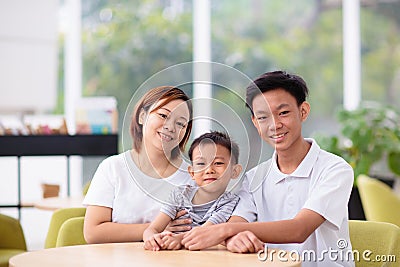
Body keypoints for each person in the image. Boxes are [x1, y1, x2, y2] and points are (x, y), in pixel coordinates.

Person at [181, 71, 354, 266]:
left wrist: (224, 232)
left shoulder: (335, 170)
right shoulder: (255, 177)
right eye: (263, 117)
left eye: (283, 113)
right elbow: (237, 223)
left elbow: (299, 229)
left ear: (303, 111)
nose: (274, 125)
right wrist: (234, 238)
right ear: (255, 122)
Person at [83, 86, 194, 243]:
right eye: (163, 115)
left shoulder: (193, 177)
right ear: (142, 116)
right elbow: (93, 233)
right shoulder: (112, 168)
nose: (170, 127)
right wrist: (156, 228)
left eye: (181, 124)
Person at [143, 131, 242, 251]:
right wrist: (152, 238)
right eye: (201, 163)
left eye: (218, 163)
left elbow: (205, 231)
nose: (209, 170)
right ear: (192, 172)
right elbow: (152, 229)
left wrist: (178, 239)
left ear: (235, 171)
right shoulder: (180, 194)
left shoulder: (230, 202)